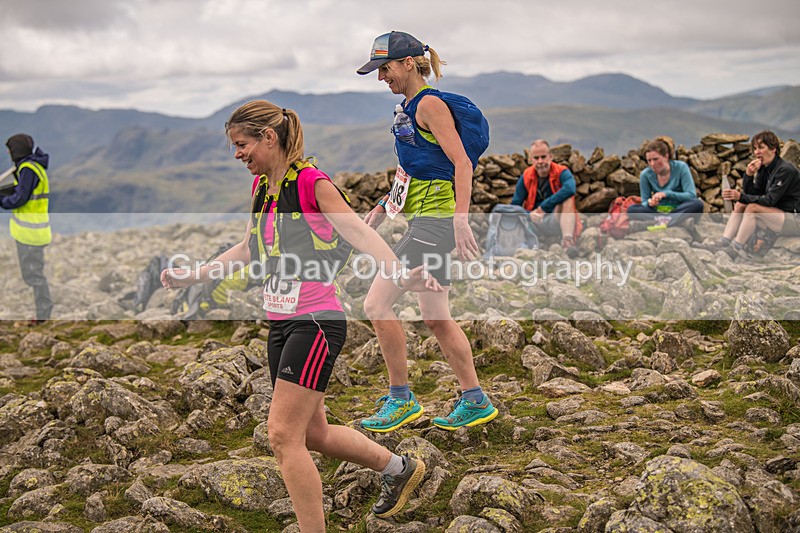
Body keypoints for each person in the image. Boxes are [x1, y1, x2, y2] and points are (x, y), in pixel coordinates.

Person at [161, 101, 439, 531]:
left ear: (268, 138)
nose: (237, 154)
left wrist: (399, 273)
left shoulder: (312, 183)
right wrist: (192, 277)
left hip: (316, 323)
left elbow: (358, 231)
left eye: (242, 144)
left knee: (281, 435)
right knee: (314, 435)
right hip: (281, 322)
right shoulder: (264, 189)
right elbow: (249, 248)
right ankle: (400, 469)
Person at [357, 30, 498, 432]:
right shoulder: (406, 107)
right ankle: (475, 399)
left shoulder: (430, 104)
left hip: (435, 222)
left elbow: (462, 163)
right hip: (424, 218)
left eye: (384, 68)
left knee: (376, 305)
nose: (381, 77)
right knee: (436, 317)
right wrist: (386, 204)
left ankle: (400, 399)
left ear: (406, 63)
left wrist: (460, 218)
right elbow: (413, 165)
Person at [705, 130, 800, 258]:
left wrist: (740, 196)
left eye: (761, 147)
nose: (757, 152)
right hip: (778, 215)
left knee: (752, 209)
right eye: (755, 149)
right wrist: (748, 176)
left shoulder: (785, 170)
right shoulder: (764, 168)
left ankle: (735, 249)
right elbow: (755, 195)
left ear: (773, 149)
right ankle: (723, 242)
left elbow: (769, 200)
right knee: (740, 205)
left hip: (795, 219)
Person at [1, 134, 53, 322]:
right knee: (33, 274)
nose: (8, 153)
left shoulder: (28, 169)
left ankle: (43, 316)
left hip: (30, 234)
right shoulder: (31, 166)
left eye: (10, 149)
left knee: (34, 275)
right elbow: (21, 190)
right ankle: (43, 314)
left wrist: (1, 200)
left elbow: (20, 198)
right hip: (31, 232)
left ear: (17, 150)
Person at [507, 139, 582, 257]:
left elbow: (570, 188)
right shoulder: (526, 176)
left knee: (567, 199)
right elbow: (515, 206)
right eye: (536, 158)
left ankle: (568, 242)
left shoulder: (561, 171)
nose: (540, 161)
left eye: (543, 157)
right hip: (534, 223)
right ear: (531, 160)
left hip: (556, 220)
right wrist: (529, 215)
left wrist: (543, 208)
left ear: (550, 157)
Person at [627, 137, 703, 237]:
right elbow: (644, 201)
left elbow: (691, 195)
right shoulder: (645, 175)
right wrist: (650, 203)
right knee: (632, 210)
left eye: (655, 159)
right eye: (649, 161)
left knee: (697, 204)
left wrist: (666, 194)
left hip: (679, 208)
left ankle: (659, 221)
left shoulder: (681, 168)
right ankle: (675, 221)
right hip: (658, 211)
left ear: (666, 157)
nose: (652, 164)